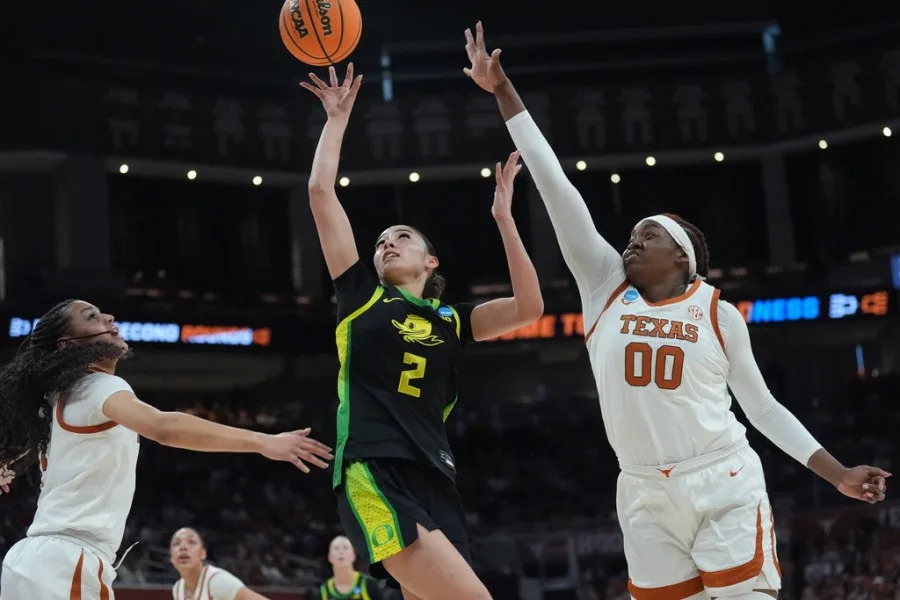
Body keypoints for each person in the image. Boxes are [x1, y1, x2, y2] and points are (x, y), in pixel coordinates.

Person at [462, 22, 891, 600]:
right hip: (642, 490)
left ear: (683, 257)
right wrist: (503, 89)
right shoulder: (604, 285)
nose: (632, 242)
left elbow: (763, 408)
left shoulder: (718, 314)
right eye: (632, 235)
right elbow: (555, 184)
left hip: (722, 478)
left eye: (648, 236)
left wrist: (837, 473)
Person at [301, 63, 543, 600]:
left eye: (402, 237)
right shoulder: (360, 295)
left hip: (436, 476)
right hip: (374, 469)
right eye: (381, 241)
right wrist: (336, 120)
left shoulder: (452, 321)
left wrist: (505, 221)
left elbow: (529, 307)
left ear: (431, 261)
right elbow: (320, 192)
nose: (387, 243)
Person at [0, 299, 333, 599]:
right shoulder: (98, 386)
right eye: (92, 317)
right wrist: (264, 441)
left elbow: (26, 443)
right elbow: (163, 427)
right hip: (67, 560)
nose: (108, 317)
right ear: (69, 344)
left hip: (28, 561)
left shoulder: (53, 400)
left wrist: (7, 462)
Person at [170, 527, 270, 600]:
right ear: (172, 559)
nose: (183, 547)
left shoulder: (217, 581)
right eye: (176, 543)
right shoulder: (178, 589)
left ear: (203, 554)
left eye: (191, 542)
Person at [319, 535, 386, 600]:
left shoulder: (369, 585)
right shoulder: (323, 592)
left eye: (345, 548)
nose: (340, 552)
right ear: (330, 557)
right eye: (336, 548)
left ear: (353, 555)